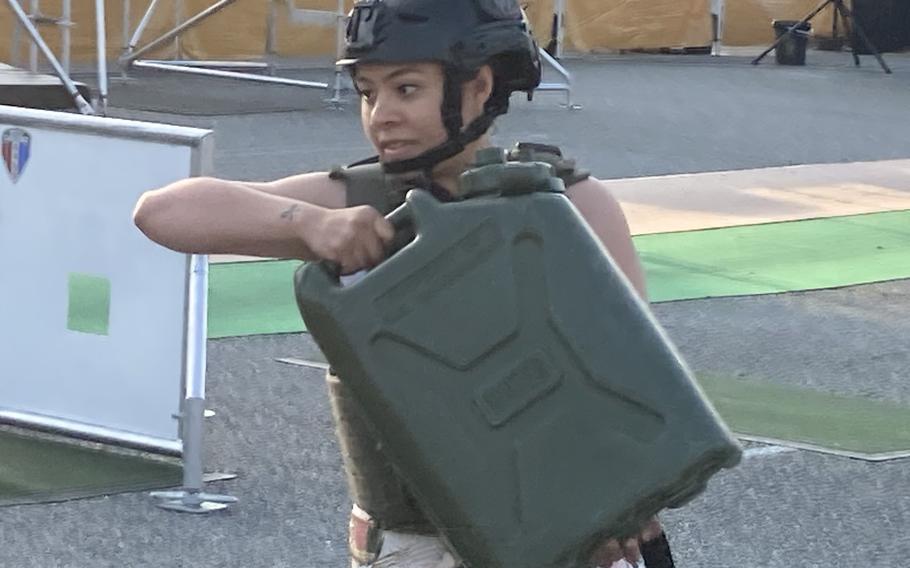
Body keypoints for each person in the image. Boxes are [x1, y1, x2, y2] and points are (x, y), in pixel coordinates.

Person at [133, 1, 672, 566]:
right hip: (412, 544)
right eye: (368, 93)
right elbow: (163, 212)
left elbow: (640, 383)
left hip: (556, 534)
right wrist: (310, 224)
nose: (380, 114)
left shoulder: (569, 206)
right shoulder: (367, 203)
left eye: (406, 89)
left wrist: (627, 500)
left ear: (478, 86)